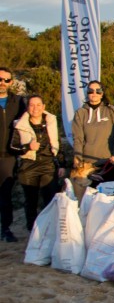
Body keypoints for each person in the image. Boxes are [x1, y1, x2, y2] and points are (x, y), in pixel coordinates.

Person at [10, 95, 67, 231]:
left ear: (43, 107)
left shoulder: (50, 122)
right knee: (31, 201)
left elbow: (57, 144)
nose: (35, 108)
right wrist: (27, 147)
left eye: (38, 105)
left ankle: (50, 228)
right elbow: (13, 147)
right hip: (28, 166)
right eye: (32, 105)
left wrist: (62, 164)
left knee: (51, 199)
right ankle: (32, 229)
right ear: (28, 107)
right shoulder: (20, 125)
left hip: (48, 165)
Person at [0, 67, 25, 242]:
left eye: (6, 80)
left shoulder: (17, 102)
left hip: (7, 156)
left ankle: (5, 229)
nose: (2, 83)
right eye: (0, 79)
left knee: (5, 194)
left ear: (11, 82)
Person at [71, 80, 114, 167]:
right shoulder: (80, 113)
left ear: (102, 94)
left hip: (108, 161)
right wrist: (78, 158)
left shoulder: (111, 110)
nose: (94, 93)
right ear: (87, 93)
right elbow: (78, 139)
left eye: (98, 91)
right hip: (87, 164)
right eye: (91, 91)